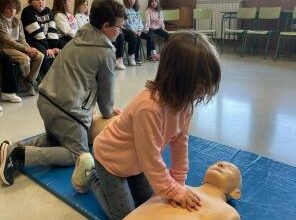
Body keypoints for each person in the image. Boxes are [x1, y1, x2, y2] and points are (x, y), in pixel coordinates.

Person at [71, 31, 221, 220]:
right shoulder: (149, 109)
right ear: (179, 78)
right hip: (111, 161)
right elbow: (150, 159)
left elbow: (180, 144)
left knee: (148, 205)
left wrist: (179, 184)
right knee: (125, 215)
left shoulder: (185, 104)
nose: (202, 92)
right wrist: (173, 191)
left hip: (136, 164)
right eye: (200, 85)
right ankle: (91, 173)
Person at [0, 0, 126, 186]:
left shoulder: (79, 37)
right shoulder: (105, 52)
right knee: (77, 154)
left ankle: (11, 148)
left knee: (55, 138)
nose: (120, 32)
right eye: (119, 27)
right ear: (106, 26)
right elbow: (105, 93)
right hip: (66, 110)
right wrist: (107, 113)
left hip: (46, 100)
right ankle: (20, 155)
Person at [124, 161, 242, 220]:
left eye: (229, 168)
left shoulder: (229, 213)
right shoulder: (172, 186)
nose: (221, 165)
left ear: (236, 193)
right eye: (218, 164)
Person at [0, 0, 44, 96]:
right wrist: (25, 50)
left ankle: (29, 81)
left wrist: (29, 48)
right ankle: (24, 82)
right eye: (9, 8)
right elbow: (7, 41)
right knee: (25, 59)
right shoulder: (1, 21)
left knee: (39, 55)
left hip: (18, 47)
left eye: (14, 8)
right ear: (3, 8)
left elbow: (22, 39)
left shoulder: (17, 21)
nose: (12, 11)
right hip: (4, 48)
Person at [21, 0, 66, 75]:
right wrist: (48, 48)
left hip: (46, 41)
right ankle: (49, 79)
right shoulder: (27, 11)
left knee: (67, 45)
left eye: (43, 0)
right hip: (33, 41)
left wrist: (54, 46)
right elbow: (37, 33)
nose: (40, 2)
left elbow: (52, 30)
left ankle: (66, 75)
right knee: (45, 53)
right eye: (37, 0)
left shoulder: (47, 10)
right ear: (31, 2)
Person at [122, 0, 160, 65]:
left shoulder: (135, 10)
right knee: (137, 38)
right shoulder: (124, 10)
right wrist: (133, 30)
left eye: (133, 0)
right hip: (130, 31)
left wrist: (139, 30)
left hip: (138, 31)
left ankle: (145, 56)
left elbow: (140, 22)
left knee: (149, 37)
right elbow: (126, 23)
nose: (132, 1)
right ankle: (133, 56)